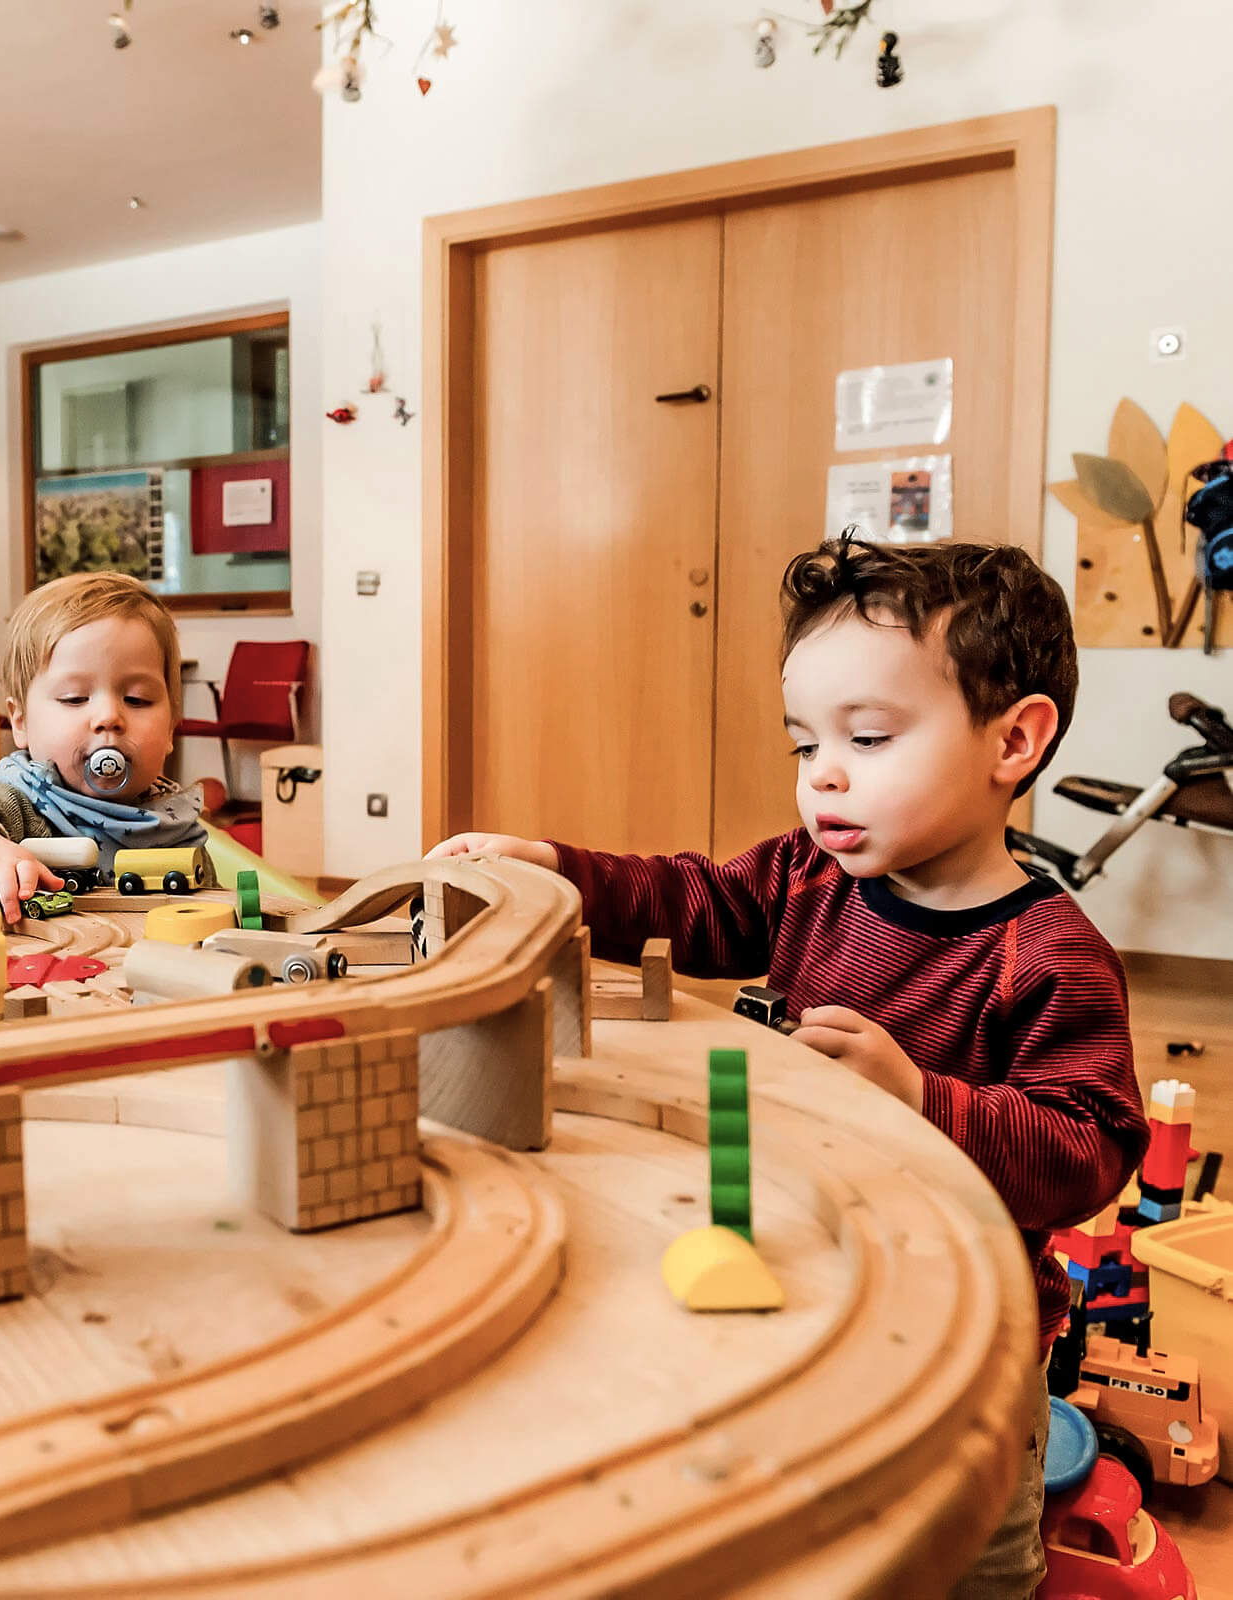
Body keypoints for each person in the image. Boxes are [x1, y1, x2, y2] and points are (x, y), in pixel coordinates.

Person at [430, 536, 1149, 1600]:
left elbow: (1090, 1150)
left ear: (1016, 741)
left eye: (867, 734)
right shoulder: (812, 876)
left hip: (974, 1334)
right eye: (804, 744)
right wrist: (562, 870)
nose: (826, 775)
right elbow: (695, 900)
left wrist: (923, 1099)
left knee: (974, 1555)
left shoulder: (1047, 956)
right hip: (822, 1268)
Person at [0, 573, 204, 924]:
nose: (109, 717)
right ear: (20, 722)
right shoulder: (19, 808)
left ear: (171, 727)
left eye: (137, 699)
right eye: (74, 698)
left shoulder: (179, 828)